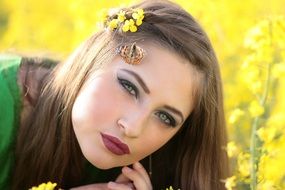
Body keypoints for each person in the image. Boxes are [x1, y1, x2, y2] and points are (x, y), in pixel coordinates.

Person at [0, 0, 229, 189]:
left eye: (165, 117)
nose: (133, 127)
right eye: (129, 87)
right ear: (93, 58)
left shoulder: (147, 170)